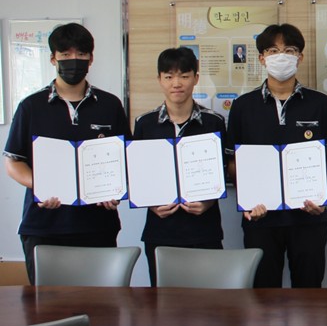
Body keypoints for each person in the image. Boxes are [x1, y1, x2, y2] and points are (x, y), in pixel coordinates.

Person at [3, 22, 129, 284]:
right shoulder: (31, 106)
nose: (74, 60)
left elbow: (126, 159)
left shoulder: (110, 105)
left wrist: (116, 191)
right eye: (65, 54)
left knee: (99, 304)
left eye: (81, 54)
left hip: (97, 226)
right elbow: (13, 162)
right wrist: (41, 185)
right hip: (44, 225)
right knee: (47, 305)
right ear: (53, 58)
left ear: (91, 59)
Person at [224, 24, 327, 288]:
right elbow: (233, 161)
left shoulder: (319, 103)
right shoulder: (243, 106)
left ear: (299, 57)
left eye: (289, 50)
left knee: (310, 291)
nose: (281, 56)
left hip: (309, 216)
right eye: (273, 51)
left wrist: (325, 196)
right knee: (263, 293)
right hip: (261, 218)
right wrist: (247, 200)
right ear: (262, 58)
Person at [133, 47, 226, 286]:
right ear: (159, 79)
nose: (177, 83)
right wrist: (151, 204)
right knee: (164, 301)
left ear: (196, 78)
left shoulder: (214, 122)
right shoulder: (145, 124)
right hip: (160, 230)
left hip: (204, 229)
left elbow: (224, 170)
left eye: (184, 76)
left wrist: (208, 202)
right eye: (169, 76)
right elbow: (137, 174)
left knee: (208, 298)